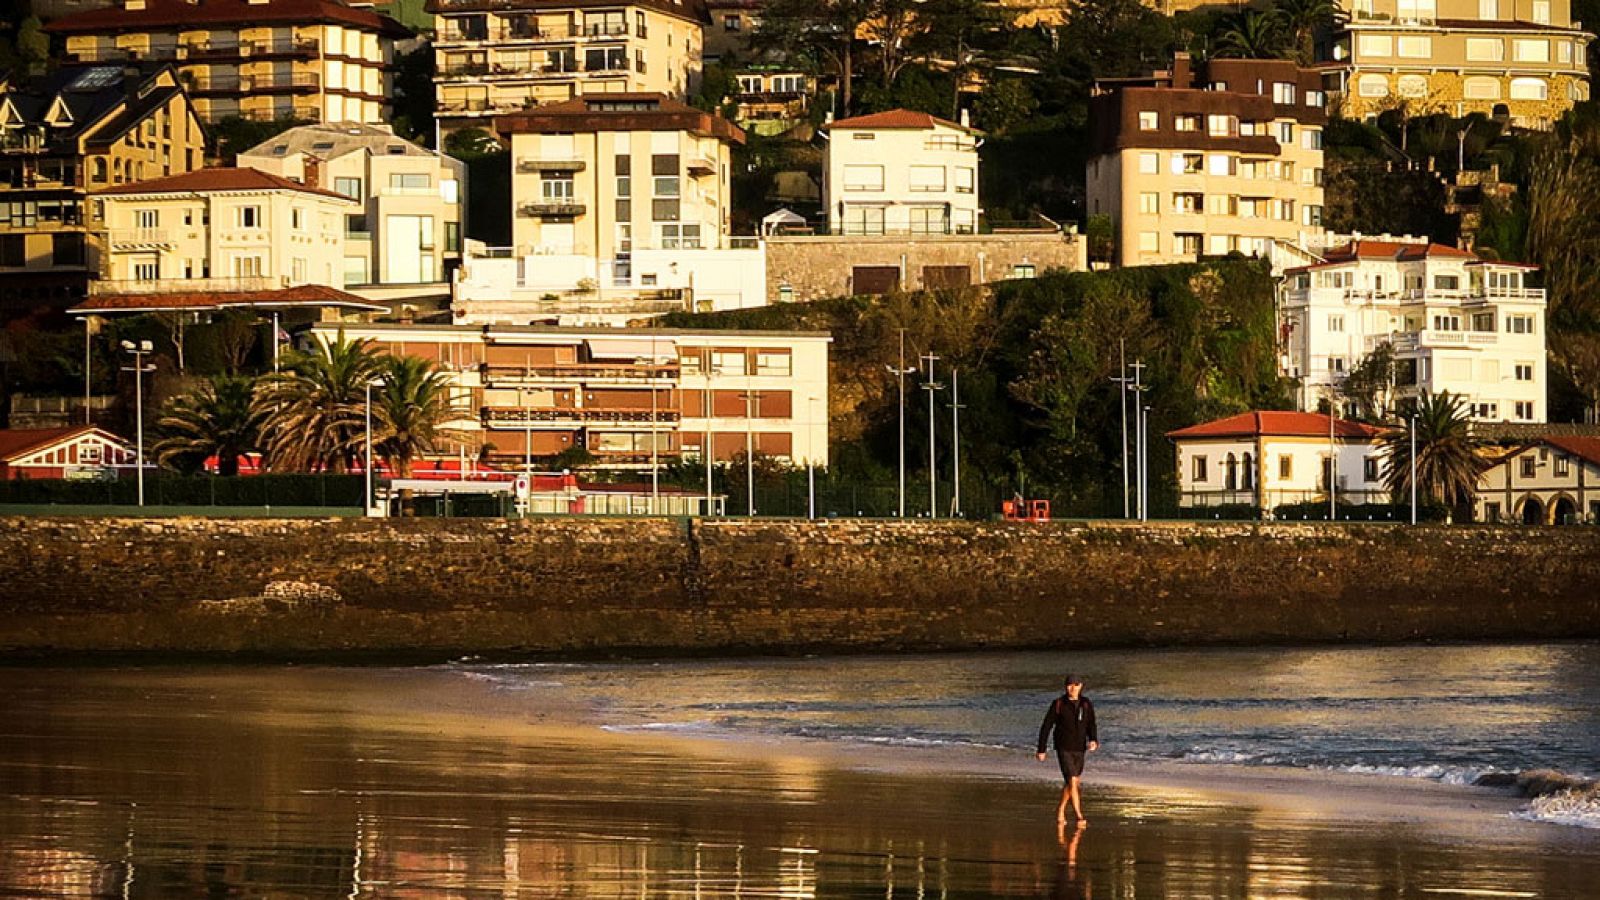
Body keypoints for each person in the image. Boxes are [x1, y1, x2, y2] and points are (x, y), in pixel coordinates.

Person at [1036, 673, 1098, 825]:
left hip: (1080, 747)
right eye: (1070, 685)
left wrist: (1094, 739)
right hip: (1063, 747)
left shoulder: (1086, 703)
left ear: (1081, 686)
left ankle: (1061, 809)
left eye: (1076, 685)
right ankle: (1079, 815)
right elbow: (1046, 726)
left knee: (1073, 783)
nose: (1073, 688)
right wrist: (1041, 749)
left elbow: (1091, 724)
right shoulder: (1058, 704)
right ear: (1066, 687)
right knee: (1072, 779)